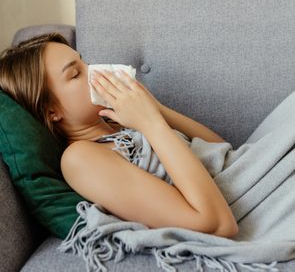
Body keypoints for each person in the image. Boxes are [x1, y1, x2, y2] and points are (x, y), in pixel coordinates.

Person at [0, 33, 238, 238]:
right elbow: (215, 224)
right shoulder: (80, 158)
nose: (95, 73)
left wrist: (156, 109)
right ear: (51, 111)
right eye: (75, 74)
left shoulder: (120, 121)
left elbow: (221, 150)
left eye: (85, 63)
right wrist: (151, 123)